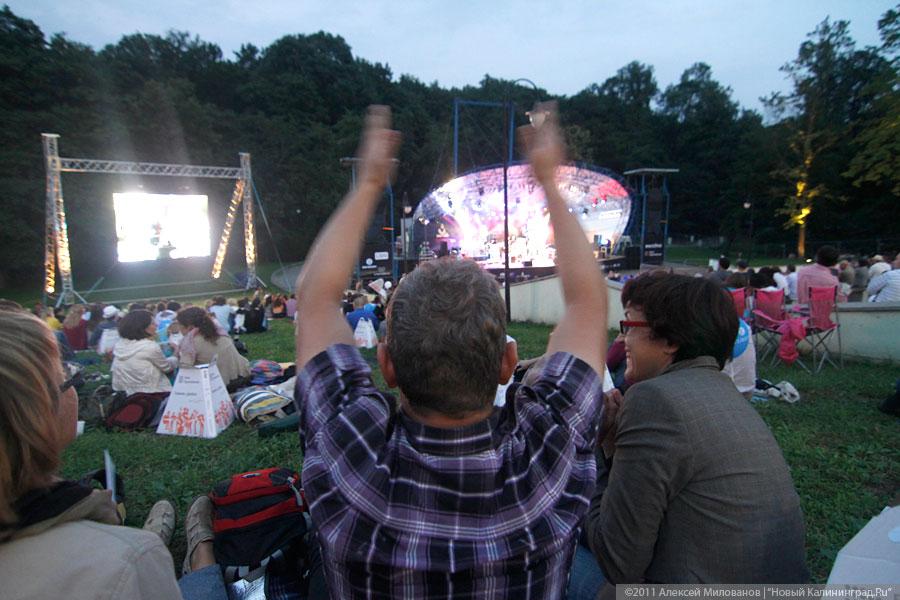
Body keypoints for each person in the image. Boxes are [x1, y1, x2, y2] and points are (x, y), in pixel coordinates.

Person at [293, 104, 606, 598]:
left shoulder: (348, 452)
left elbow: (313, 299)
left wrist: (369, 183)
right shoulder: (550, 451)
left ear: (388, 366)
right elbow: (589, 303)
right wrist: (548, 178)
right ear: (508, 364)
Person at [579, 273, 807, 590]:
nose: (622, 340)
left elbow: (618, 561)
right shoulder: (726, 393)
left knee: (551, 541)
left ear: (671, 340)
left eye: (629, 326)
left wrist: (597, 446)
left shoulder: (654, 399)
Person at [0, 308, 209, 599]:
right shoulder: (125, 563)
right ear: (35, 416)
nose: (75, 388)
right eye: (68, 378)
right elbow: (168, 366)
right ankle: (202, 552)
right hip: (154, 396)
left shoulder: (121, 344)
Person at [176, 307, 250, 387]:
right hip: (243, 375)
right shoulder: (220, 333)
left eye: (179, 324)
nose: (178, 328)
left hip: (222, 386)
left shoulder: (190, 343)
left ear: (189, 326)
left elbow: (185, 373)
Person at [111, 309, 177, 396]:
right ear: (143, 328)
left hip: (127, 393)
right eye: (153, 323)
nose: (156, 325)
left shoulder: (120, 345)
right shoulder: (149, 346)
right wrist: (176, 353)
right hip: (152, 395)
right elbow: (167, 368)